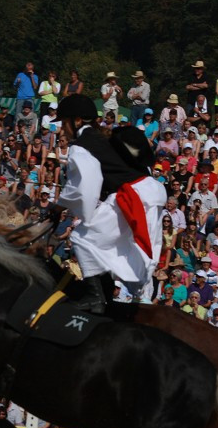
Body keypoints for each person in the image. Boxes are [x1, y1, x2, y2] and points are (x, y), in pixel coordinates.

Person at [55, 94, 166, 309]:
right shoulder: (102, 136)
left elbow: (86, 184)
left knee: (81, 236)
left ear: (77, 121)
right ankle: (104, 294)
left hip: (133, 194)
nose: (62, 129)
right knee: (97, 240)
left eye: (64, 122)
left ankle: (97, 296)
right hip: (146, 190)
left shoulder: (81, 145)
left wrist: (58, 206)